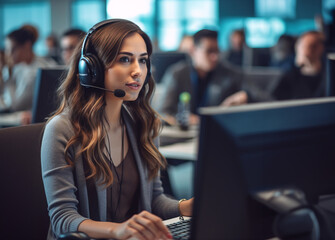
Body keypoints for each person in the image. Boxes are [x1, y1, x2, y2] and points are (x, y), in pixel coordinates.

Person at [41, 19, 193, 240]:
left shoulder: (144, 123)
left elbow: (154, 199)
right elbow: (62, 219)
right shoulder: (61, 129)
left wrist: (184, 207)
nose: (137, 71)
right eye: (125, 59)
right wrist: (117, 230)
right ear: (91, 68)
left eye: (143, 61)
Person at [156, 29, 247, 125]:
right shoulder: (177, 74)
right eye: (209, 51)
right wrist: (182, 119)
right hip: (185, 133)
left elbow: (255, 92)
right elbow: (162, 113)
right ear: (193, 51)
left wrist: (245, 96)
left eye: (217, 51)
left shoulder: (227, 73)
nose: (215, 57)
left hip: (216, 131)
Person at [0, 26, 55, 124]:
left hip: (35, 121)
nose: (8, 54)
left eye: (12, 49)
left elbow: (14, 104)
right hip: (19, 117)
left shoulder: (44, 67)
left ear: (27, 45)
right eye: (7, 50)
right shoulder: (15, 68)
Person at [271, 31, 326, 100]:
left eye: (311, 46)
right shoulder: (289, 77)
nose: (303, 50)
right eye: (301, 46)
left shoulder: (329, 77)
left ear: (321, 49)